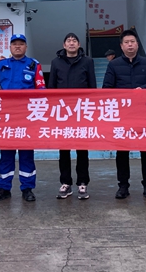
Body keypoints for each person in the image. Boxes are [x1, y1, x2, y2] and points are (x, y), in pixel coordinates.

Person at [103, 29, 146, 199]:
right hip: (123, 115)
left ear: (137, 44)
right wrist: (123, 95)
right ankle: (123, 186)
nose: (130, 45)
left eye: (133, 42)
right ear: (121, 46)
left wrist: (143, 89)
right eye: (126, 42)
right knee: (122, 152)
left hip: (144, 114)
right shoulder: (113, 65)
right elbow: (107, 88)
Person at [0, 33, 45, 202]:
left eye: (21, 44)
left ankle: (27, 188)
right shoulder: (1, 65)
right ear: (10, 47)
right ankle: (4, 188)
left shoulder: (33, 65)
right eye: (15, 44)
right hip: (6, 117)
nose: (18, 46)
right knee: (6, 153)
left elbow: (41, 90)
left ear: (26, 47)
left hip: (26, 117)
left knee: (26, 153)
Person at [49, 32, 97, 200]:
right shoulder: (56, 62)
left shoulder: (87, 61)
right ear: (64, 45)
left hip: (82, 111)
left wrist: (92, 109)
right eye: (68, 41)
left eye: (74, 41)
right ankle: (65, 183)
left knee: (82, 149)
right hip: (62, 112)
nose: (71, 43)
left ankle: (82, 183)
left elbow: (92, 86)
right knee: (64, 149)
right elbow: (52, 87)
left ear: (79, 45)